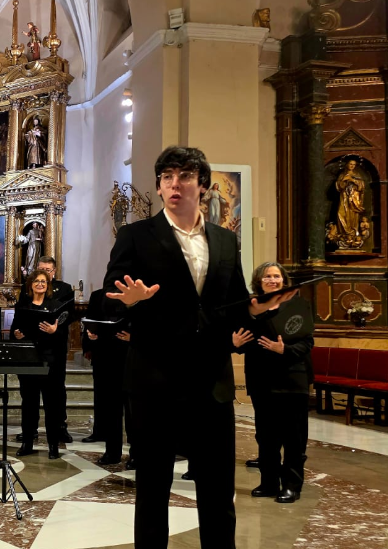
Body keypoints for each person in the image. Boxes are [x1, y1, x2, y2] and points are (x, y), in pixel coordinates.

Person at [103, 145, 293, 547]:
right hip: (155, 379)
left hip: (212, 382)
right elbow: (110, 291)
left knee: (218, 489)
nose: (175, 184)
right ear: (158, 187)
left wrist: (260, 308)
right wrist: (130, 299)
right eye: (167, 177)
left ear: (202, 187)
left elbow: (235, 303)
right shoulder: (136, 235)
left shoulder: (225, 240)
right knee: (153, 488)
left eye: (185, 176)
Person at [233, 262, 314, 504]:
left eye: (276, 276)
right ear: (258, 281)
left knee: (294, 437)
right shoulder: (251, 308)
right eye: (267, 276)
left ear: (283, 280)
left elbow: (307, 342)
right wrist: (235, 343)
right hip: (262, 378)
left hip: (292, 378)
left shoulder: (298, 305)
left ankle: (291, 485)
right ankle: (268, 482)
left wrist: (284, 349)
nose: (272, 280)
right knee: (266, 436)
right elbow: (243, 338)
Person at [12, 269, 64, 459]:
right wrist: (16, 334)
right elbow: (14, 330)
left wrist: (53, 331)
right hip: (28, 360)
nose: (40, 284)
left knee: (51, 405)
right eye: (36, 281)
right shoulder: (22, 306)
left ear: (48, 285)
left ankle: (53, 445)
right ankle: (27, 442)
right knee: (29, 404)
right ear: (31, 285)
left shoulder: (55, 305)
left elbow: (62, 336)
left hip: (49, 361)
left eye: (43, 281)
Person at [81, 288, 134, 469]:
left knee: (133, 410)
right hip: (105, 357)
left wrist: (134, 337)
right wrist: (90, 335)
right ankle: (112, 452)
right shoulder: (98, 295)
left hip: (129, 358)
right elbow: (90, 320)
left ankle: (135, 454)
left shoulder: (137, 293)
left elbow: (148, 322)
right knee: (111, 408)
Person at [36, 256, 75, 444]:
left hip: (56, 344)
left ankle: (61, 427)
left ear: (54, 271)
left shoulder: (65, 289)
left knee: (58, 388)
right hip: (35, 345)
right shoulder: (31, 287)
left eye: (48, 270)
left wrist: (56, 328)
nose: (44, 272)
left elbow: (69, 314)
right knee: (33, 390)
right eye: (41, 269)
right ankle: (31, 428)